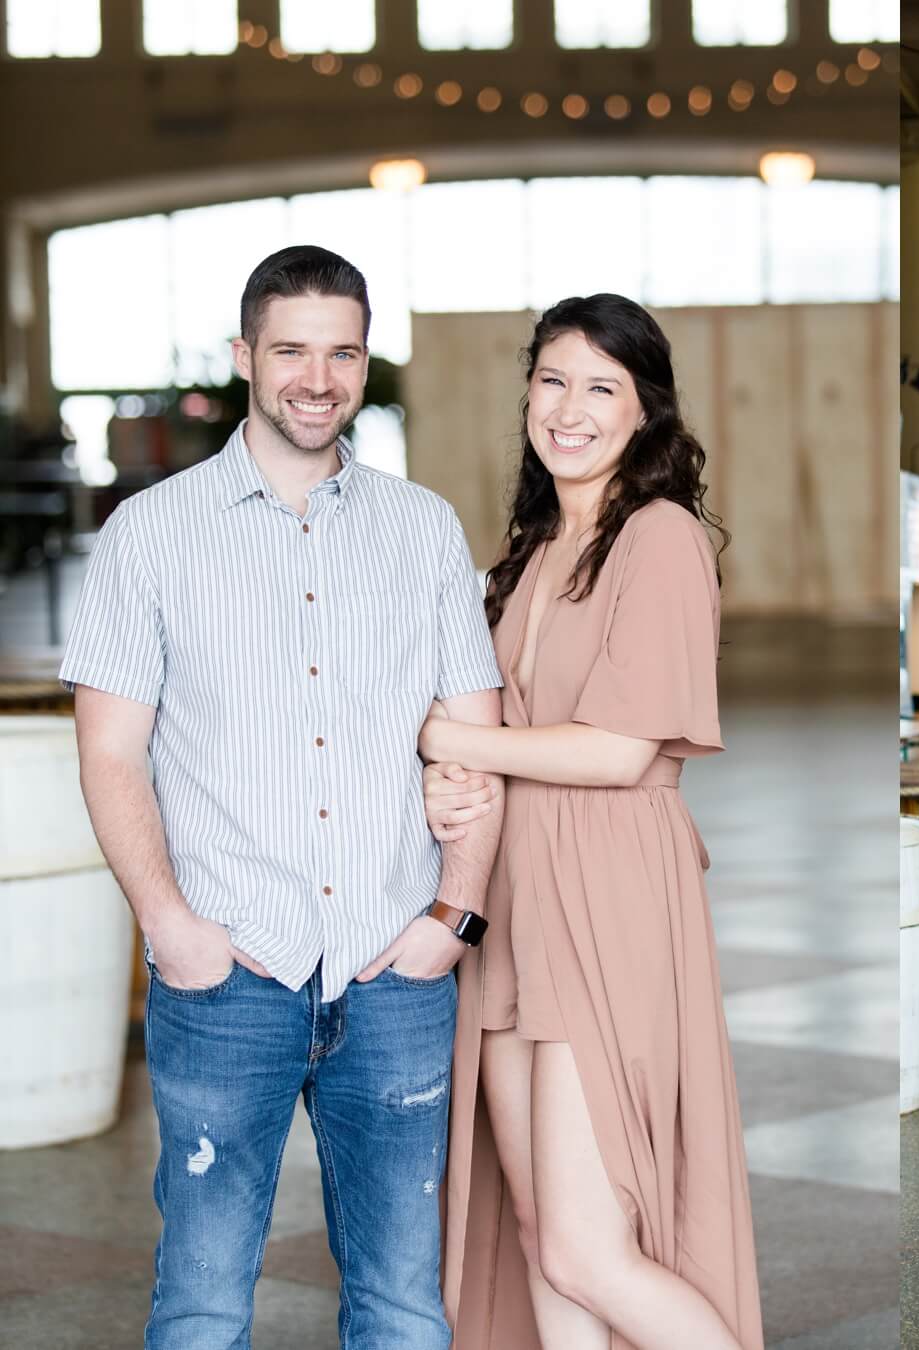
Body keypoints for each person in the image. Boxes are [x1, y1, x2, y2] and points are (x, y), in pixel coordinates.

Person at [62, 245, 505, 1348]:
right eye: (293, 350)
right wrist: (172, 927)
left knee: (405, 1298)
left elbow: (476, 735)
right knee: (204, 1299)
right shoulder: (150, 534)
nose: (319, 377)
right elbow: (112, 752)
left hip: (393, 968)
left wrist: (452, 917)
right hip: (229, 974)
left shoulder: (425, 529)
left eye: (342, 351)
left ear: (366, 360)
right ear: (245, 356)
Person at [425, 295, 760, 1349]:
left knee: (585, 1243)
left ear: (644, 411)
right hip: (518, 899)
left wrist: (455, 746)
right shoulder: (528, 550)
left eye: (601, 388)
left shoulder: (657, 539)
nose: (570, 409)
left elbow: (619, 752)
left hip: (607, 895)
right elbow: (487, 729)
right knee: (536, 1229)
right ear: (528, 390)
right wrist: (446, 776)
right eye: (554, 380)